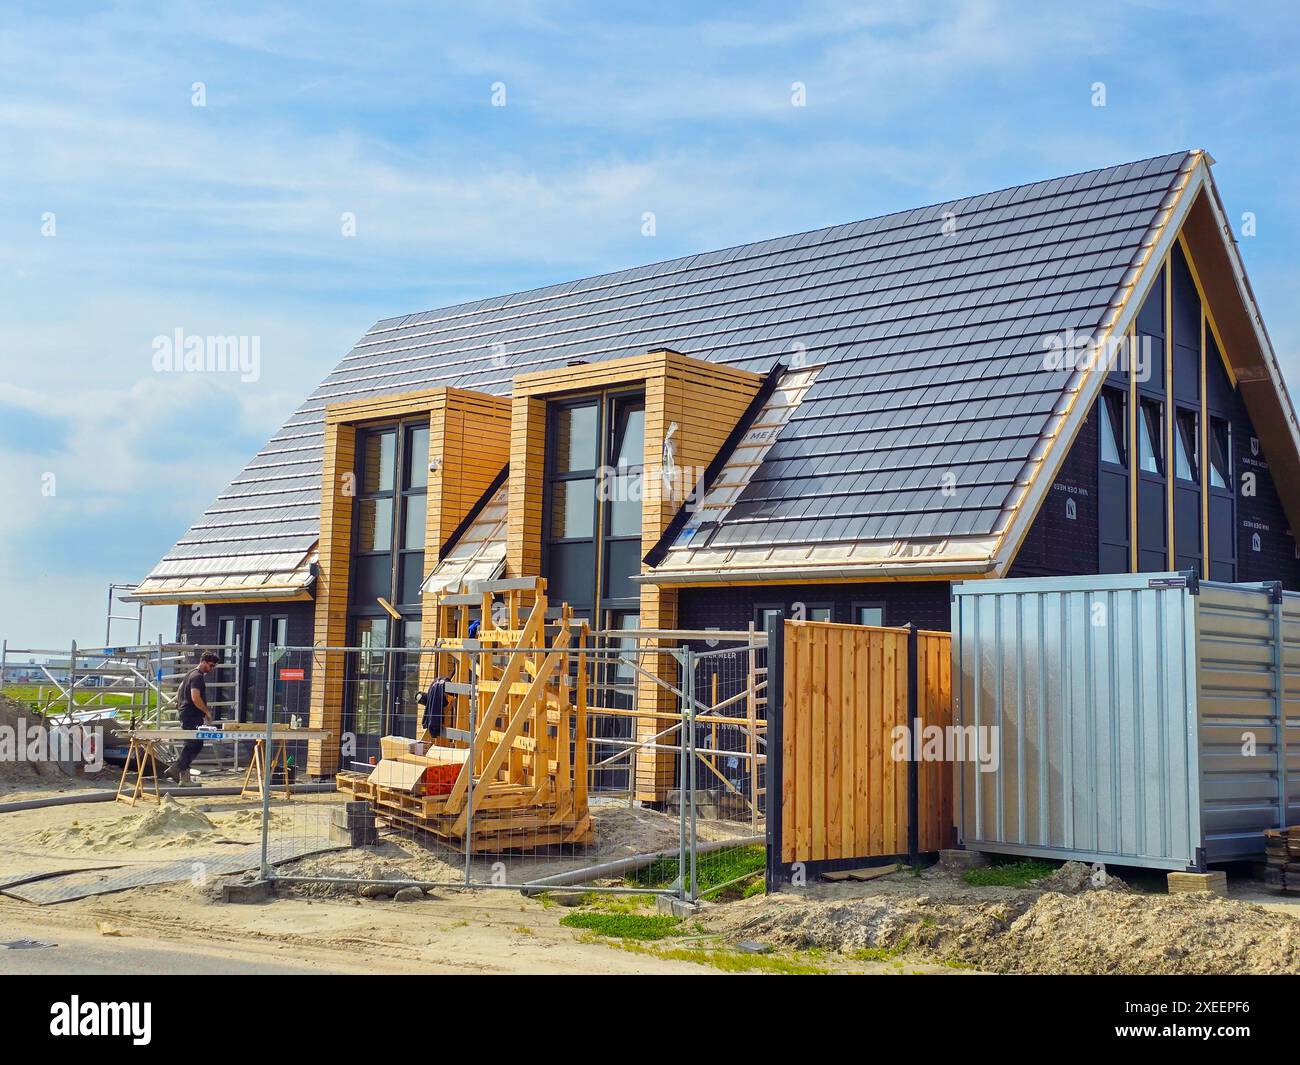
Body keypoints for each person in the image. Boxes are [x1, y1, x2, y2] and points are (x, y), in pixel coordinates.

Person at [164, 651, 219, 784]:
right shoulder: (197, 676)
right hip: (191, 715)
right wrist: (206, 711)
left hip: (187, 713)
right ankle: (176, 768)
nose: (211, 669)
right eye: (211, 665)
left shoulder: (190, 674)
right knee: (195, 744)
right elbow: (195, 697)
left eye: (213, 667)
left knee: (191, 744)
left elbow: (179, 692)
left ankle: (184, 777)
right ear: (204, 661)